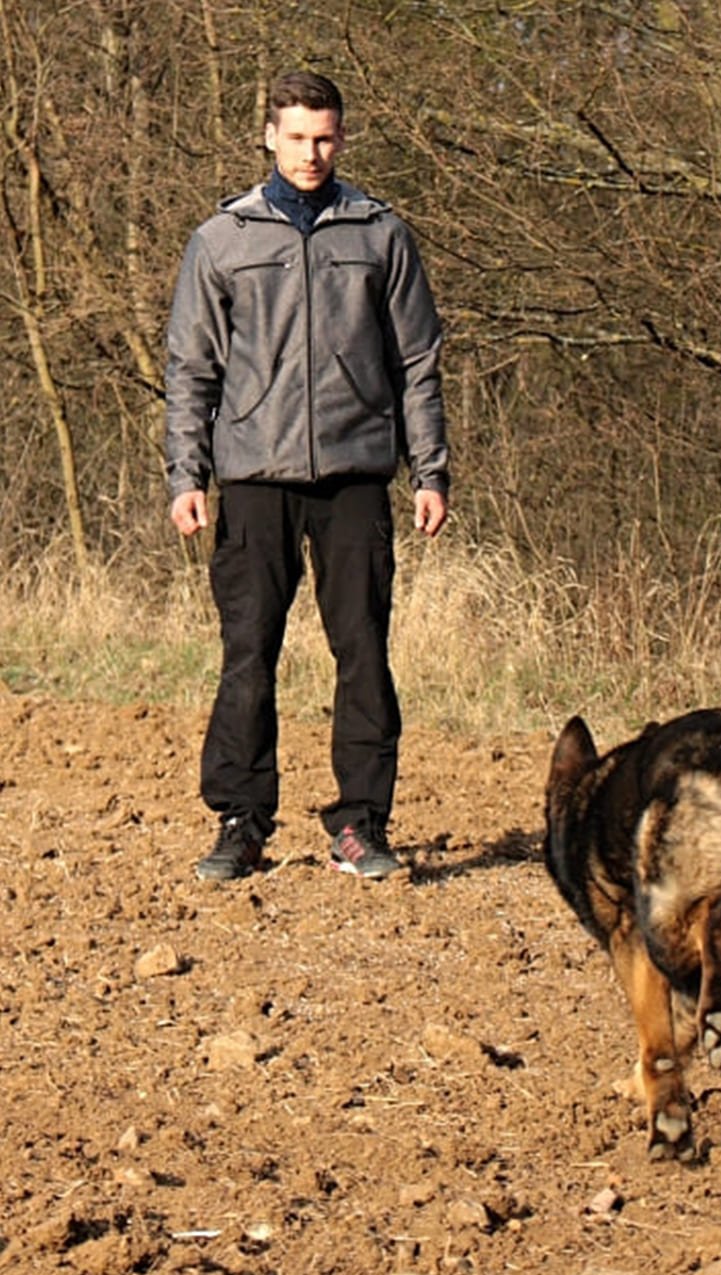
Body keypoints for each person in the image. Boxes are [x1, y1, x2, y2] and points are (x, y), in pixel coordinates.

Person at [164, 70, 449, 882]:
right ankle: (240, 820)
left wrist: (431, 468)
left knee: (362, 650)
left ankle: (361, 823)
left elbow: (418, 360)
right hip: (253, 476)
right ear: (270, 135)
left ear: (342, 137)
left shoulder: (381, 234)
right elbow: (190, 366)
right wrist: (186, 471)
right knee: (248, 651)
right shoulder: (222, 239)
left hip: (357, 476)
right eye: (296, 136)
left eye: (324, 137)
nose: (311, 152)